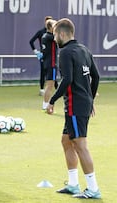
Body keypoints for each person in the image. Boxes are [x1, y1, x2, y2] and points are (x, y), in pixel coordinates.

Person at [47, 18, 101, 199]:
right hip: (81, 103)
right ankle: (73, 184)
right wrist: (90, 99)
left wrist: (52, 100)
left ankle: (93, 189)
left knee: (80, 144)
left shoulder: (66, 52)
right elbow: (96, 76)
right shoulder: (84, 49)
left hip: (75, 105)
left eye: (54, 34)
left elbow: (67, 79)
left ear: (62, 33)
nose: (54, 38)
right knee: (66, 141)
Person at [29, 16, 53, 96]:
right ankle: (42, 89)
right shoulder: (41, 32)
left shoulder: (53, 33)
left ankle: (54, 88)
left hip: (51, 56)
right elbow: (31, 41)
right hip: (43, 55)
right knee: (43, 72)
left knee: (52, 72)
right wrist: (36, 52)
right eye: (47, 22)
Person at [41, 19, 58, 110]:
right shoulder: (50, 37)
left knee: (49, 84)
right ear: (50, 27)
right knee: (50, 85)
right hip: (51, 63)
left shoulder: (44, 36)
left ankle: (45, 104)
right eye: (55, 26)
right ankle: (46, 104)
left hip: (47, 63)